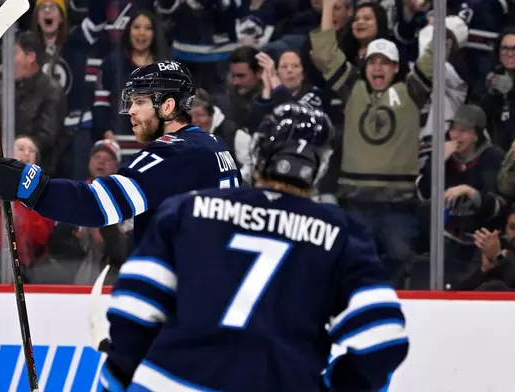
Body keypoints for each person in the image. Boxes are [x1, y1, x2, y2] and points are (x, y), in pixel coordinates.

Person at [96, 103, 409, 392]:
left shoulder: (188, 210)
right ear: (320, 165)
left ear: (258, 151)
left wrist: (119, 379)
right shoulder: (342, 234)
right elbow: (383, 338)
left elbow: (133, 308)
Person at [0, 60, 241, 247]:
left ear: (168, 106)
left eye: (140, 102)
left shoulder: (176, 153)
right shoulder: (213, 144)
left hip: (189, 294)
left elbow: (97, 205)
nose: (131, 111)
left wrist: (30, 186)